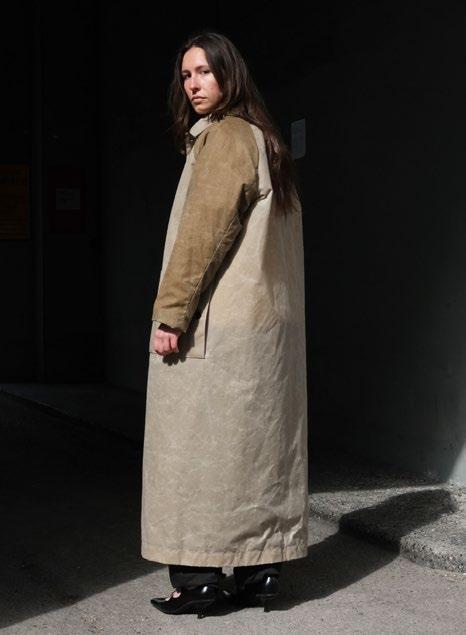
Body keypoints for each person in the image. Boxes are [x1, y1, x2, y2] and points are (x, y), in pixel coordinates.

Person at [141, 30, 309, 618]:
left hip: (219, 326)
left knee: (193, 452)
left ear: (229, 75)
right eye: (186, 74)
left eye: (205, 72)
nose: (193, 84)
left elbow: (203, 235)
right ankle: (262, 571)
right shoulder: (267, 140)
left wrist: (171, 313)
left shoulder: (226, 137)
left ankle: (200, 579)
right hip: (266, 329)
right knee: (256, 451)